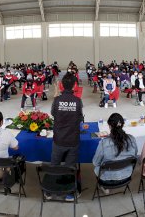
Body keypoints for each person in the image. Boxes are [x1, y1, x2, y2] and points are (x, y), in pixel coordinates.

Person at [50, 73, 84, 201]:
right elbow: (80, 118)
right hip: (73, 140)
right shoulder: (78, 101)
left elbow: (53, 113)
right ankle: (69, 194)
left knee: (54, 166)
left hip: (58, 139)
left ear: (62, 85)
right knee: (70, 168)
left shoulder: (57, 100)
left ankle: (50, 191)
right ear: (74, 85)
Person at [92, 113, 138, 194]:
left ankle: (104, 188)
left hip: (106, 180)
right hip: (126, 177)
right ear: (122, 125)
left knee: (97, 168)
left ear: (109, 126)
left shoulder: (104, 143)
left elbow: (95, 163)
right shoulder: (132, 139)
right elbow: (135, 155)